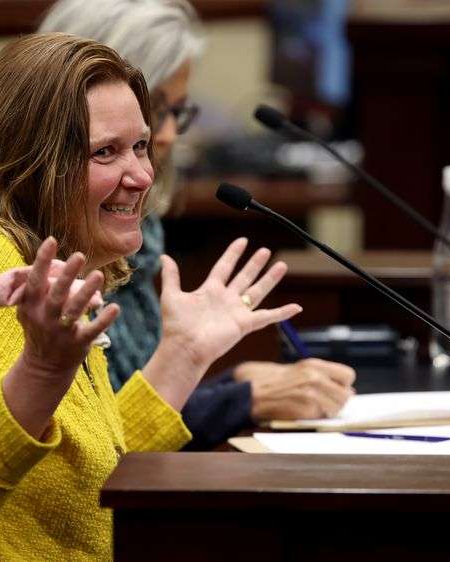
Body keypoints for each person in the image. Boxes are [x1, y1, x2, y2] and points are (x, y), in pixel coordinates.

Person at [0, 34, 301, 559]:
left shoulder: (43, 268)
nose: (143, 175)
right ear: (29, 166)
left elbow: (79, 478)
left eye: (141, 145)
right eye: (106, 152)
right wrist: (41, 373)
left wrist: (182, 358)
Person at [40, 0, 356, 449]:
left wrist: (230, 382)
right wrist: (240, 398)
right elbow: (92, 449)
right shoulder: (42, 257)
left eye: (177, 112)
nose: (166, 134)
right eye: (154, 109)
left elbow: (136, 406)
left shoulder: (139, 233)